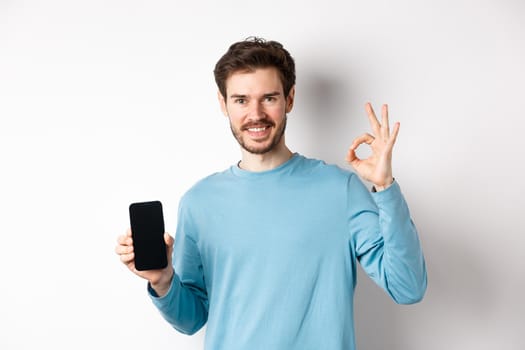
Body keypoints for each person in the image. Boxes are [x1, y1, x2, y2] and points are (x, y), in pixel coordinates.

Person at [116, 37, 427, 350]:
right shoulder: (199, 202)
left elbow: (407, 287)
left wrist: (385, 188)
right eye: (241, 100)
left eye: (269, 98)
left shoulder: (340, 190)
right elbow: (191, 320)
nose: (256, 114)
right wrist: (163, 280)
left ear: (290, 99)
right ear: (223, 104)